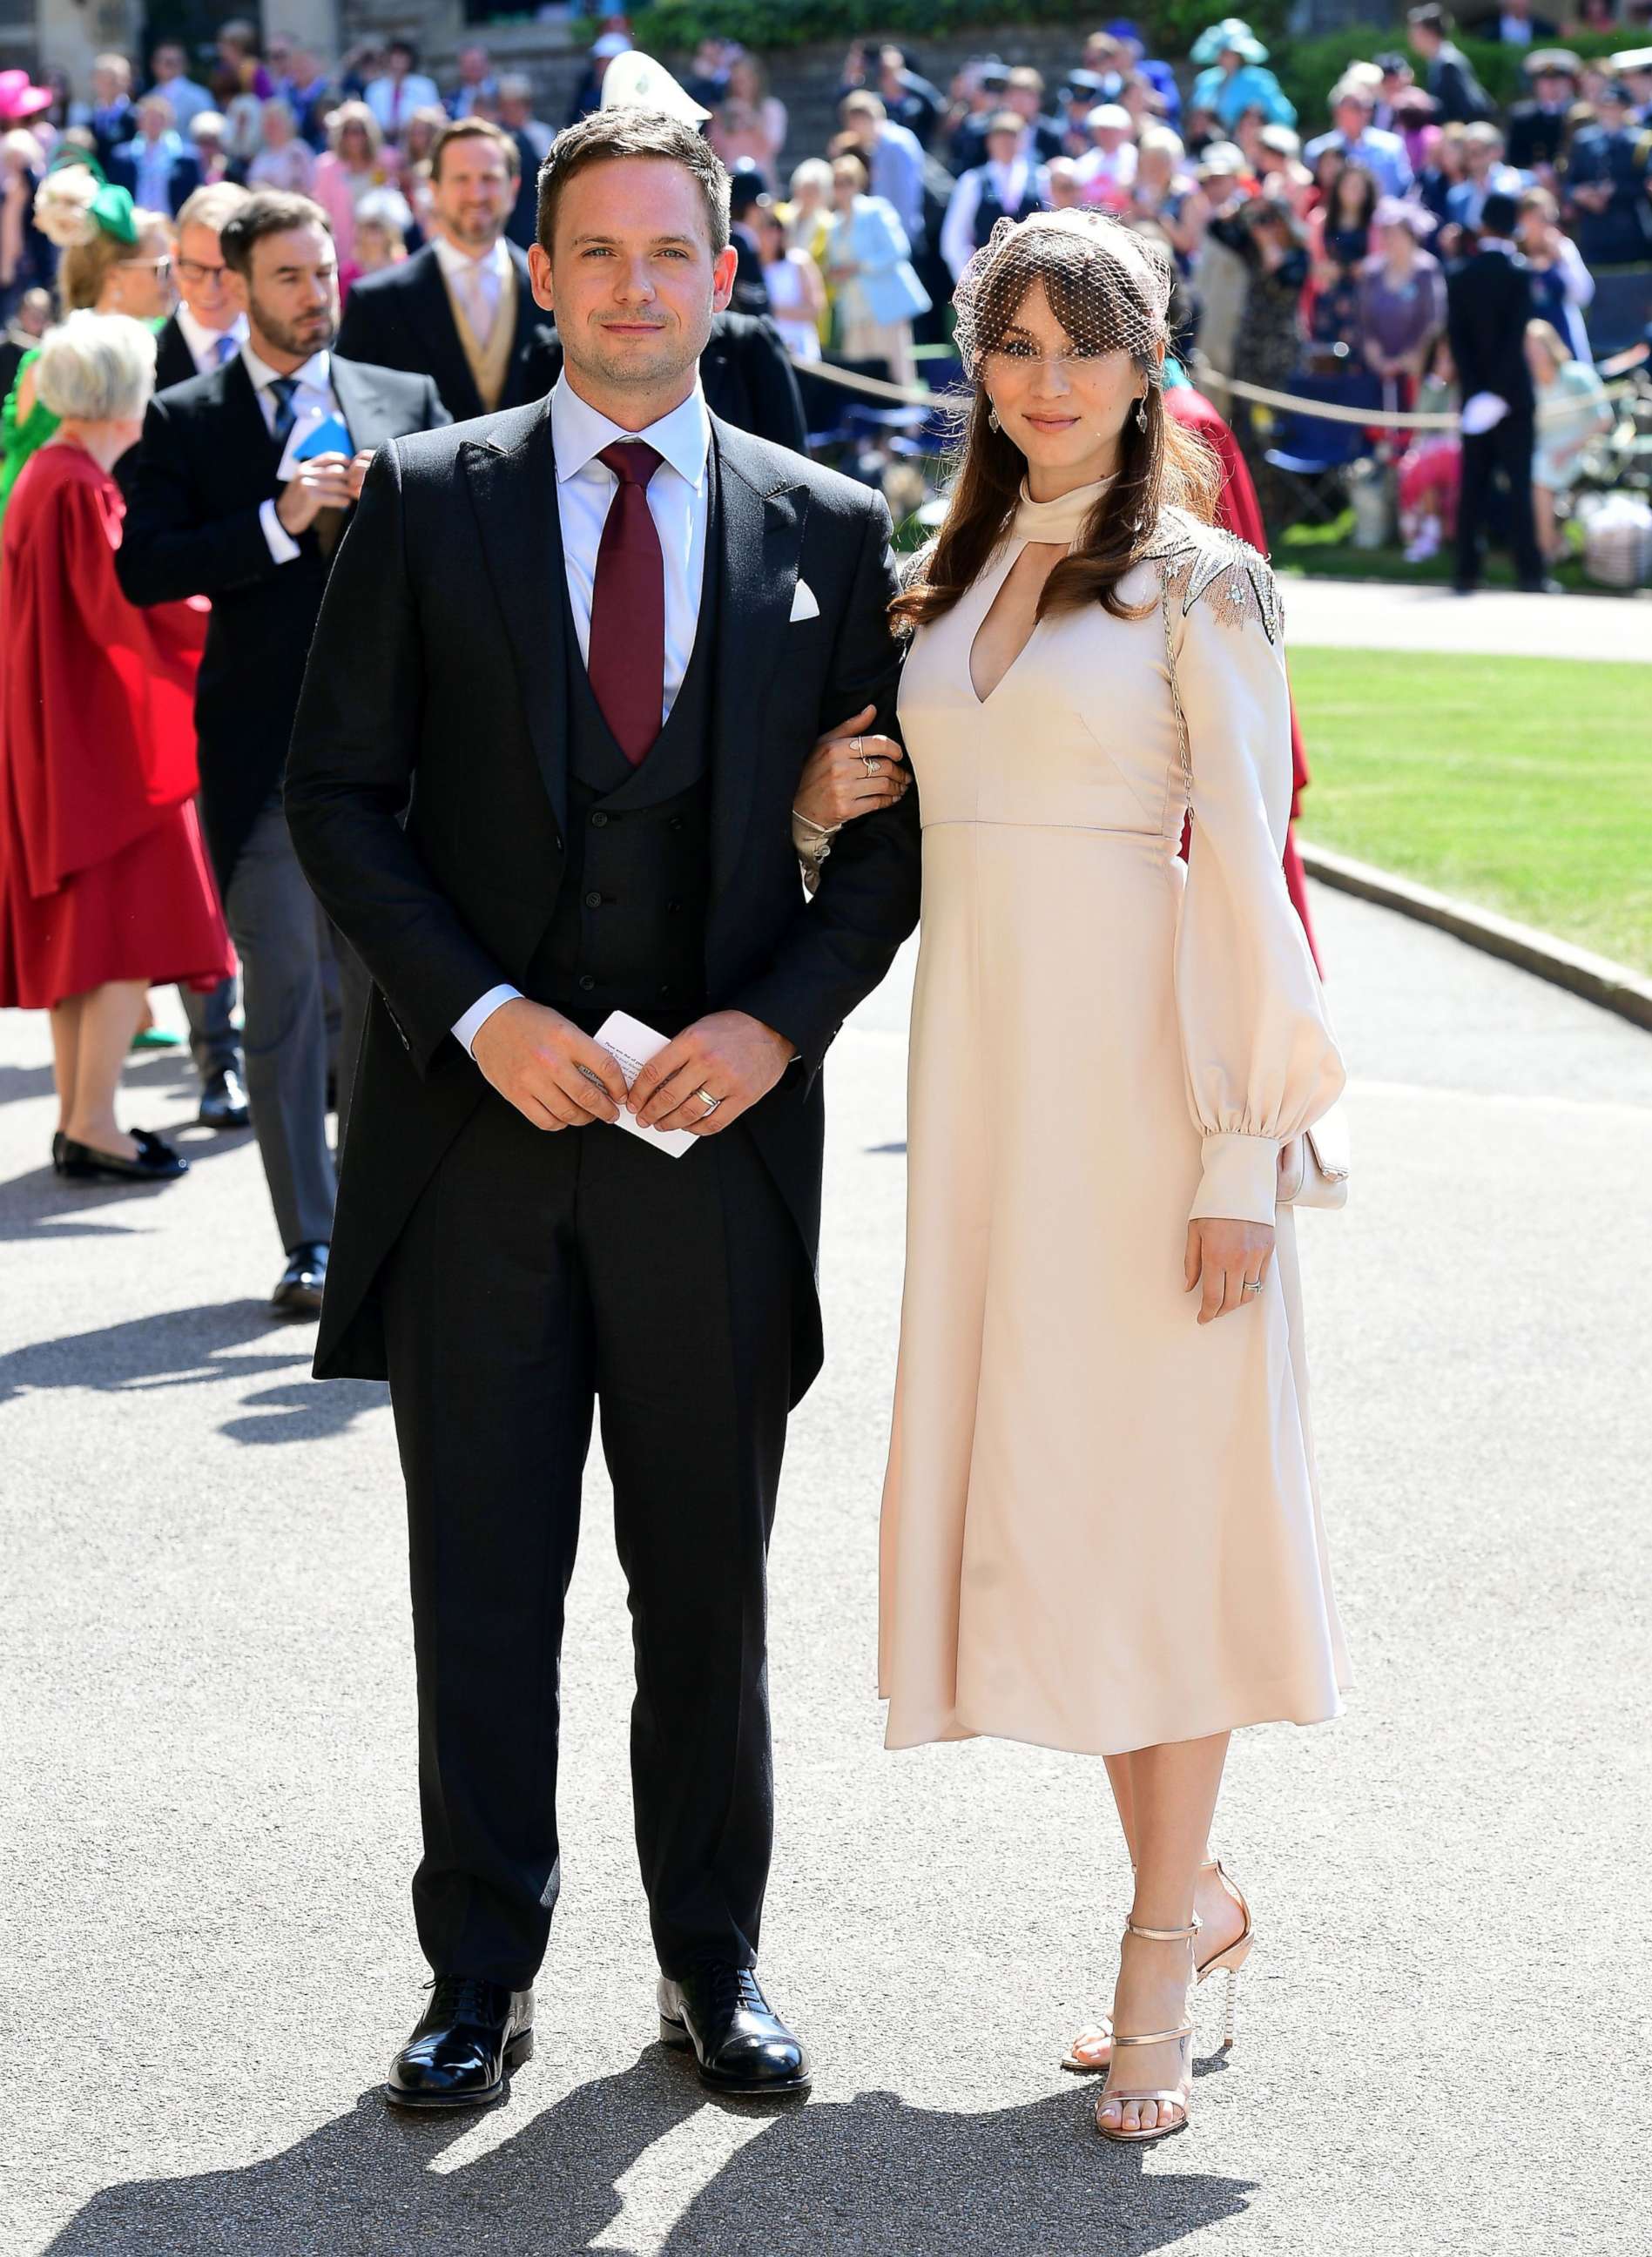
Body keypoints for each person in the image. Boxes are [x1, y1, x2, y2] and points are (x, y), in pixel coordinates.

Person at [283, 103, 920, 2117]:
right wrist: (471, 1012)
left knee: (705, 1587)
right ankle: (478, 1966)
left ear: (729, 276)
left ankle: (712, 1961)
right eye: (601, 252)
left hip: (712, 1161)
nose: (638, 286)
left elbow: (898, 848)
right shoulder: (423, 495)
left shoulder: (825, 527)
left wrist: (777, 1026)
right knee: (478, 1578)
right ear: (537, 272)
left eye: (675, 251)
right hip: (474, 1154)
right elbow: (336, 800)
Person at [876, 209, 1345, 2146]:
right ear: (976, 365)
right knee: (1070, 1517)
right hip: (988, 1111)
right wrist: (844, 792)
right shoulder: (950, 568)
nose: (1045, 381)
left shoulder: (1200, 587)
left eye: (1083, 346)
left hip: (1155, 1117)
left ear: (1149, 365)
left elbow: (1241, 861)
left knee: (1163, 1520)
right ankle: (1198, 1897)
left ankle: (1163, 1941)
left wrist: (1242, 1147)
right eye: (1012, 346)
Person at [116, 190, 448, 1313]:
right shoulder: (188, 417)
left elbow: (463, 562)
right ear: (240, 288)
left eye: (328, 275)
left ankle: (376, 1220)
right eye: (294, 279)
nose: (318, 297)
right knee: (289, 993)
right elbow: (143, 568)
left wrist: (382, 513)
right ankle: (307, 1241)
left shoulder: (403, 400)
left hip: (395, 760)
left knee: (387, 996)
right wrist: (274, 520)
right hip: (263, 759)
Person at [0, 313, 233, 1183]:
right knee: (126, 935)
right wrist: (228, 612)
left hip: (72, 736)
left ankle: (82, 1116)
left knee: (84, 944)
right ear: (118, 395)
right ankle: (94, 1122)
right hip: (106, 750)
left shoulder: (51, 474)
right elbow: (129, 606)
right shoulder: (76, 487)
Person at [145, 179, 254, 1133]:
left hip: (282, 664)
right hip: (174, 660)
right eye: (193, 270)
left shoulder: (299, 364)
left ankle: (317, 1055)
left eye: (226, 269)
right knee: (204, 871)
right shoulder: (144, 370)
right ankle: (214, 1053)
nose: (212, 288)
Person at [335, 118, 557, 425]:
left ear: (513, 188)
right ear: (434, 190)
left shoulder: (556, 291)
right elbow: (351, 410)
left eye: (489, 178)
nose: (476, 194)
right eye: (461, 179)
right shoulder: (376, 302)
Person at [2, 174, 174, 518]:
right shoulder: (53, 363)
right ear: (114, 276)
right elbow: (23, 480)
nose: (173, 281)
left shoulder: (175, 344)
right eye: (161, 269)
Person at [1446, 189, 1546, 590]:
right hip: (1514, 398)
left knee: (1473, 488)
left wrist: (1478, 392)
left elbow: (1459, 341)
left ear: (1483, 226)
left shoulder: (1461, 274)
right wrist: (1501, 393)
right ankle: (1530, 573)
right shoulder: (1520, 274)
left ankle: (1466, 571)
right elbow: (1513, 338)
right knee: (1519, 487)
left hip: (1476, 398)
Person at [827, 150, 930, 388]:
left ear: (859, 182)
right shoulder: (835, 223)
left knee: (896, 369)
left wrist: (859, 267)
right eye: (836, 182)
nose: (842, 188)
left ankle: (907, 425)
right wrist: (837, 273)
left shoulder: (876, 209)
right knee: (859, 372)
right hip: (855, 307)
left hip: (885, 305)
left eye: (847, 181)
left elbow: (898, 249)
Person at [1527, 316, 1611, 561]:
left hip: (1582, 452)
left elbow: (1603, 419)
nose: (1533, 353)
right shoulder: (1528, 385)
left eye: (1537, 346)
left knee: (1539, 472)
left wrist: (1567, 450)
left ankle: (1544, 548)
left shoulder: (1576, 376)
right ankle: (1548, 542)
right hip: (1545, 454)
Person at [940, 110, 1049, 281]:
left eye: (1012, 137)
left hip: (1033, 276)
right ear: (989, 141)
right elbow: (954, 236)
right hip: (987, 278)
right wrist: (969, 280)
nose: (1006, 144)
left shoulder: (1042, 177)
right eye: (1000, 137)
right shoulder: (973, 180)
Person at [1358, 196, 1446, 399]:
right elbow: (1364, 319)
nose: (1391, 240)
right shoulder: (1372, 271)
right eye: (1387, 234)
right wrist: (1376, 356)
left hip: (1417, 370)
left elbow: (1434, 319)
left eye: (1397, 235)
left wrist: (1412, 358)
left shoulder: (1427, 271)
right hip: (1376, 370)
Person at [1564, 82, 1652, 266]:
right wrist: (1580, 194)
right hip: (1594, 229)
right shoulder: (1584, 141)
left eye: (1615, 106)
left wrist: (1616, 189)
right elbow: (1569, 182)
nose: (1610, 111)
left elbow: (1646, 185)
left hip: (1630, 227)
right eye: (1605, 106)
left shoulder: (1642, 141)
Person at [836, 91, 927, 247]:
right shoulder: (879, 147)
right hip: (892, 236)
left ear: (862, 119)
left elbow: (907, 197)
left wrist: (902, 240)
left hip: (902, 239)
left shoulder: (896, 145)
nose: (852, 131)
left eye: (852, 124)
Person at [1516, 185, 1595, 360]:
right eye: (1540, 218)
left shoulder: (1563, 248)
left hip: (1563, 335)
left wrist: (1561, 261)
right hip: (1526, 339)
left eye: (1551, 218)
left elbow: (1583, 295)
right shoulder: (1513, 252)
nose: (1547, 225)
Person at [311, 101, 388, 269]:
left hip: (378, 249)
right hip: (343, 250)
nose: (354, 137)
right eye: (348, 131)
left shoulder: (382, 163)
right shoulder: (325, 167)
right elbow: (321, 212)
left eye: (360, 131)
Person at [1304, 80, 1413, 198]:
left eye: (1368, 107)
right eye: (1356, 107)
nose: (1364, 113)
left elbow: (1405, 189)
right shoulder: (1318, 150)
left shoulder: (1392, 146)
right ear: (1337, 111)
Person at [1188, 20, 1297, 131]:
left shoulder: (1258, 79)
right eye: (1221, 51)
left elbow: (1285, 117)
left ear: (1240, 55)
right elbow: (1195, 116)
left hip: (1251, 144)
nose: (1224, 57)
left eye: (1229, 52)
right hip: (1210, 145)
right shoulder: (1206, 80)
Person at [109, 94, 202, 218]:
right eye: (148, 118)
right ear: (139, 122)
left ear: (169, 122)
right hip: (135, 221)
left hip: (171, 222)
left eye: (159, 118)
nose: (153, 123)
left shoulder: (186, 157)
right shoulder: (122, 156)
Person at [757, 205, 826, 360]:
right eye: (763, 228)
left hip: (800, 350)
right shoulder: (750, 267)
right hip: (764, 352)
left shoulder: (798, 262)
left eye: (774, 227)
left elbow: (815, 309)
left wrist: (769, 309)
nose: (769, 234)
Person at [1406, 6, 1495, 124]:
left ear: (1430, 33)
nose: (1411, 39)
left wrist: (1424, 102)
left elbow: (1465, 108)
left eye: (1415, 33)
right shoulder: (1439, 60)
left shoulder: (1448, 63)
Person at [1507, 49, 1581, 178]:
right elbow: (1513, 157)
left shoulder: (1581, 113)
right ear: (1536, 84)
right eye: (1546, 81)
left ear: (1569, 83)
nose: (1552, 86)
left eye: (1558, 80)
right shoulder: (1521, 116)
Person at [362, 39, 439, 144]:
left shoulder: (425, 86)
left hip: (417, 143)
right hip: (383, 144)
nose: (398, 60)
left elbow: (432, 119)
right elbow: (370, 122)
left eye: (402, 55)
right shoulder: (374, 89)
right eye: (395, 55)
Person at [146, 42, 215, 138]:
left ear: (184, 65)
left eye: (175, 62)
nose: (170, 67)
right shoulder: (149, 97)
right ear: (154, 65)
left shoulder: (199, 96)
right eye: (167, 62)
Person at [247, 98, 316, 194]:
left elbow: (306, 186)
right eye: (267, 125)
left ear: (286, 124)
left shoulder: (298, 151)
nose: (270, 129)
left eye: (274, 124)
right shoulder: (261, 154)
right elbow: (252, 184)